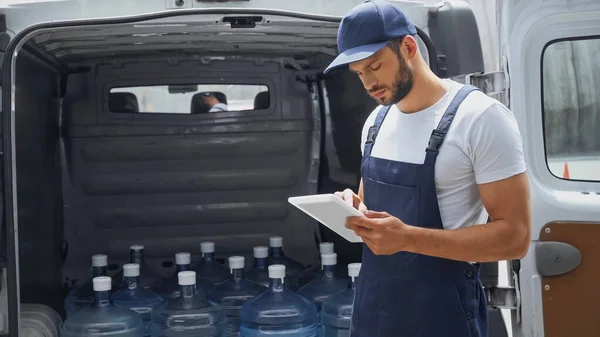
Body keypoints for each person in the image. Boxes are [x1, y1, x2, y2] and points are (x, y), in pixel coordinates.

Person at [323, 1, 531, 337]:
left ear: (408, 47)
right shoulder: (376, 121)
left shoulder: (480, 119)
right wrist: (352, 208)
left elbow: (515, 238)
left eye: (375, 66)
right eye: (359, 73)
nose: (368, 83)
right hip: (374, 313)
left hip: (443, 316)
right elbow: (373, 218)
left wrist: (406, 239)